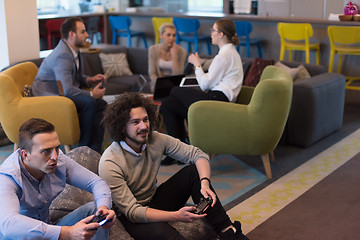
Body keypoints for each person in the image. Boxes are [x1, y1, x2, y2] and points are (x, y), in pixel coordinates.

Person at [99, 92, 249, 240]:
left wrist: (205, 182)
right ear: (121, 128)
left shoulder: (156, 139)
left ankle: (229, 233)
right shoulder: (110, 162)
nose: (144, 126)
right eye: (135, 122)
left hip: (153, 200)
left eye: (145, 119)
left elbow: (198, 155)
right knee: (167, 234)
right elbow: (133, 211)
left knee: (193, 172)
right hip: (129, 217)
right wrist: (176, 216)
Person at [0, 118, 116, 239]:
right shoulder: (7, 178)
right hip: (22, 236)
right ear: (25, 155)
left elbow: (96, 182)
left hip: (50, 230)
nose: (55, 156)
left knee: (96, 210)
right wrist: (67, 233)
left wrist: (104, 207)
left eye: (56, 148)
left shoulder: (59, 160)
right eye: (46, 151)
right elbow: (8, 225)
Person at [159, 18, 243, 165]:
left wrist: (197, 65)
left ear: (221, 34)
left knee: (175, 91)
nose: (211, 33)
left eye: (213, 30)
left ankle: (182, 150)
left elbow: (205, 84)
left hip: (218, 100)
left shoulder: (224, 56)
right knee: (168, 104)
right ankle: (177, 152)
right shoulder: (230, 53)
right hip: (218, 97)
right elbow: (212, 81)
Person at [32, 17, 107, 153]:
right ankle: (83, 149)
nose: (87, 35)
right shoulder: (63, 55)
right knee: (90, 102)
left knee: (101, 105)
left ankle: (95, 150)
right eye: (83, 32)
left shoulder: (73, 50)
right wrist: (91, 93)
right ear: (72, 34)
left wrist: (89, 80)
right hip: (50, 96)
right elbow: (68, 90)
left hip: (62, 92)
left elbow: (74, 77)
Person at [148, 23, 187, 92]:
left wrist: (174, 56)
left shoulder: (182, 52)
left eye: (174, 35)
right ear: (161, 36)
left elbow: (179, 76)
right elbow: (152, 73)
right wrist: (161, 84)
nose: (171, 38)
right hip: (157, 84)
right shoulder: (153, 49)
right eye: (168, 35)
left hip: (174, 86)